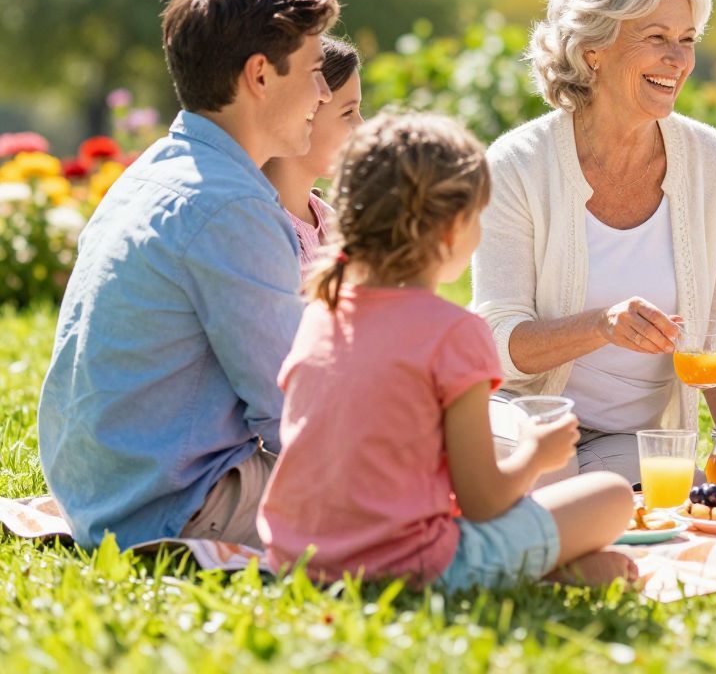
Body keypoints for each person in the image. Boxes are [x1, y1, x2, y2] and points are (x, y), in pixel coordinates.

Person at [259, 113, 636, 589]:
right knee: (611, 496)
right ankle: (544, 573)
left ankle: (549, 571)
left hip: (298, 558)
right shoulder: (455, 333)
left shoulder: (321, 313)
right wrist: (536, 455)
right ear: (453, 229)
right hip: (412, 567)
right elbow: (483, 502)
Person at [38, 0, 338, 549]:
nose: (323, 94)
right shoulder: (231, 206)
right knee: (436, 506)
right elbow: (292, 412)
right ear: (259, 74)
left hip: (105, 490)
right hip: (179, 503)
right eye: (313, 72)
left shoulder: (153, 171)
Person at [472, 0, 716, 484]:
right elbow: (495, 341)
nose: (679, 60)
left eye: (687, 40)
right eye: (656, 38)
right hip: (525, 418)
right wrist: (599, 326)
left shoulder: (712, 160)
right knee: (544, 487)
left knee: (665, 502)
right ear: (592, 50)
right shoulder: (517, 163)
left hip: (632, 439)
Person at [262, 36, 363, 277]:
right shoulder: (258, 228)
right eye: (348, 112)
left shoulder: (334, 225)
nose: (361, 126)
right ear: (304, 111)